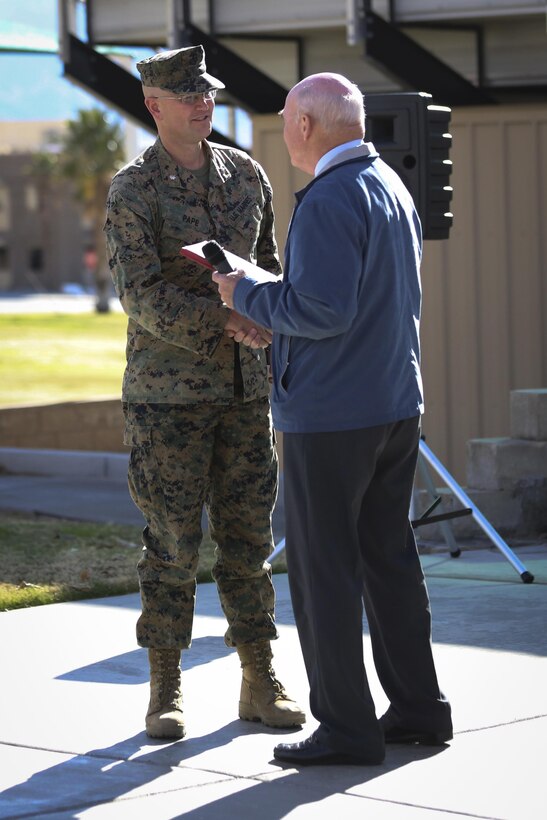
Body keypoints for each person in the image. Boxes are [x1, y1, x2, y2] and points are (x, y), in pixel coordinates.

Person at [213, 72, 453, 766]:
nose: (284, 126)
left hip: (331, 415)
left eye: (286, 114)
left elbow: (321, 309)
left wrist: (242, 290)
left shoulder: (327, 197)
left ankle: (347, 729)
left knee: (323, 574)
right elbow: (349, 302)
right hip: (391, 404)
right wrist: (270, 301)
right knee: (389, 562)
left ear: (306, 125)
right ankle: (418, 710)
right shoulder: (389, 184)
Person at [104, 45, 305, 740]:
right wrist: (225, 319)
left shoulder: (246, 174)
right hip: (169, 399)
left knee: (249, 539)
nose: (203, 103)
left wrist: (266, 315)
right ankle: (165, 684)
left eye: (207, 92)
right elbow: (141, 296)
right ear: (153, 105)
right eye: (188, 95)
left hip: (245, 392)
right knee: (172, 542)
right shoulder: (134, 190)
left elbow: (270, 266)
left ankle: (259, 675)